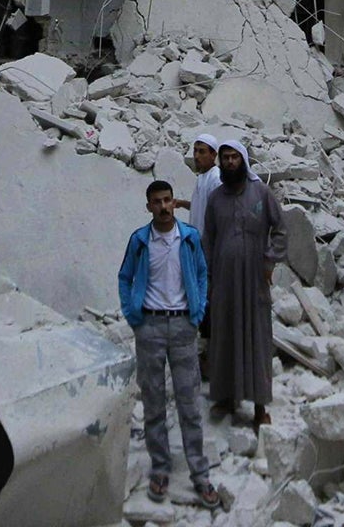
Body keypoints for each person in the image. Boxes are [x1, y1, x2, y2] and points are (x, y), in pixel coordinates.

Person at [119, 180, 223, 509]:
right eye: (156, 202)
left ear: (174, 204)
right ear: (148, 206)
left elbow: (203, 274)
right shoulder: (139, 240)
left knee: (189, 403)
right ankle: (161, 470)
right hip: (148, 325)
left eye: (168, 201)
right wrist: (132, 314)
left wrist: (198, 311)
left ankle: (200, 472)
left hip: (182, 326)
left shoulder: (189, 238)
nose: (163, 207)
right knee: (153, 403)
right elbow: (125, 277)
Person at [201, 136, 286, 428]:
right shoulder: (215, 198)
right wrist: (207, 278)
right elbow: (208, 240)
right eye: (224, 158)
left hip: (254, 280)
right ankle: (225, 398)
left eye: (234, 157)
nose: (229, 162)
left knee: (257, 337)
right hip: (224, 280)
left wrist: (269, 259)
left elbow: (281, 228)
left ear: (243, 160)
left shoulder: (261, 193)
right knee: (224, 335)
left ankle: (260, 407)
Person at [181, 134, 219, 227]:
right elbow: (200, 207)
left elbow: (219, 213)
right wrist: (180, 203)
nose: (196, 156)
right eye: (195, 150)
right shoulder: (202, 176)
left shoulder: (216, 179)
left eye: (202, 152)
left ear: (213, 155)